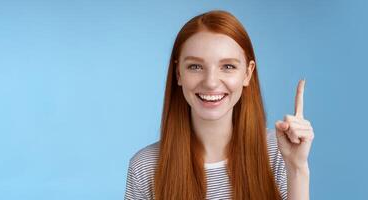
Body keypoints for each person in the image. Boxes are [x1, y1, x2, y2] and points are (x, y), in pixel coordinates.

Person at [124, 10, 314, 200]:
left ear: (247, 73)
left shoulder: (278, 151)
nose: (211, 82)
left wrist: (297, 170)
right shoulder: (145, 167)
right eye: (195, 66)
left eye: (228, 67)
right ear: (178, 73)